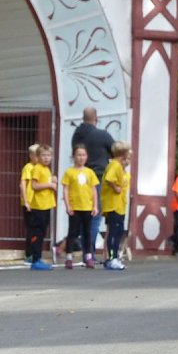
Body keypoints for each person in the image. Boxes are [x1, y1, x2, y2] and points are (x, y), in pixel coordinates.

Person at [72, 107, 114, 253]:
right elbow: (116, 151)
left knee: (81, 217)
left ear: (83, 118)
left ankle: (79, 250)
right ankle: (89, 252)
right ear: (96, 118)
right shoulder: (102, 135)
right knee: (95, 217)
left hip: (79, 180)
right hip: (97, 179)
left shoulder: (76, 136)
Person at [61, 144, 100, 269]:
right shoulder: (69, 172)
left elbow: (93, 189)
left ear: (87, 156)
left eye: (83, 155)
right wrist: (67, 205)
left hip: (87, 206)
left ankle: (88, 256)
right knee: (72, 232)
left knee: (87, 232)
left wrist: (95, 206)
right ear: (73, 157)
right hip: (75, 207)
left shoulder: (90, 172)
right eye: (78, 155)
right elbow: (66, 189)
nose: (81, 157)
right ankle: (69, 257)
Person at [101, 141, 131, 270]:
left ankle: (114, 257)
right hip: (113, 205)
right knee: (113, 232)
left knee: (118, 231)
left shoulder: (120, 168)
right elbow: (109, 178)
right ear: (123, 153)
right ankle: (112, 258)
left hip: (119, 205)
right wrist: (115, 187)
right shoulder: (115, 165)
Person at [28, 144, 57, 270]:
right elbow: (34, 186)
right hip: (39, 206)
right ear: (38, 157)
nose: (46, 158)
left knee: (43, 231)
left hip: (46, 205)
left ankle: (38, 257)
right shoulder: (37, 169)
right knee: (38, 232)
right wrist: (49, 185)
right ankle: (35, 259)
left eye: (49, 155)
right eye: (44, 155)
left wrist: (53, 182)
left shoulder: (47, 170)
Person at [20, 144, 40, 264]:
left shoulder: (39, 168)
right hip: (29, 202)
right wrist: (26, 200)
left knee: (36, 228)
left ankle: (35, 252)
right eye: (36, 155)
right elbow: (23, 184)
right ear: (31, 156)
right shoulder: (28, 167)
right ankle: (29, 253)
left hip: (37, 203)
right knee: (31, 229)